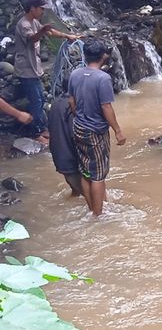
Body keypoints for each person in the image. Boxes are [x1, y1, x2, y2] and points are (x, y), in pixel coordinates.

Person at [68, 38, 126, 216]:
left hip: (78, 127)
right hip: (95, 131)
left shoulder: (75, 74)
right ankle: (98, 216)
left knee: (86, 170)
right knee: (98, 175)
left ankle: (93, 207)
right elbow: (106, 107)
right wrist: (117, 131)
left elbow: (71, 101)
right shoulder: (103, 78)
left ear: (85, 56)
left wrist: (80, 116)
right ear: (103, 57)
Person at [14, 0, 80, 144]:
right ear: (32, 9)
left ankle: (42, 128)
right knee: (36, 101)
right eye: (41, 9)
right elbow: (33, 39)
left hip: (33, 68)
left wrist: (67, 36)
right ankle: (36, 132)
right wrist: (43, 30)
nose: (43, 12)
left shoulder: (34, 22)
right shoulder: (24, 24)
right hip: (26, 70)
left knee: (40, 99)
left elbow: (50, 32)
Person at [48, 90, 83, 197]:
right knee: (92, 192)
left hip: (60, 157)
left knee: (76, 191)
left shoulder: (55, 103)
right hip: (72, 157)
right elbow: (77, 134)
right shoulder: (73, 106)